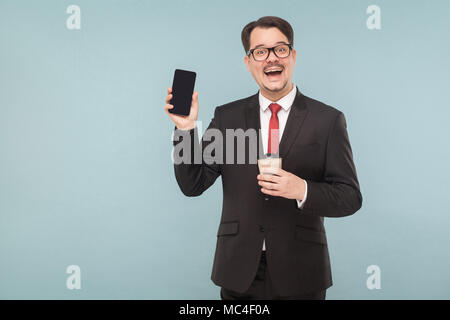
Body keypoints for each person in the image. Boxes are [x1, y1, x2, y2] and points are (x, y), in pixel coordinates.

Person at [164, 16, 362, 300]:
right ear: (249, 62)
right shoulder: (227, 118)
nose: (271, 58)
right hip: (239, 271)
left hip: (302, 271)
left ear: (292, 56)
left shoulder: (327, 120)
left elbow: (350, 197)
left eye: (280, 49)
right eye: (260, 51)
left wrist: (302, 189)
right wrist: (184, 129)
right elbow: (192, 184)